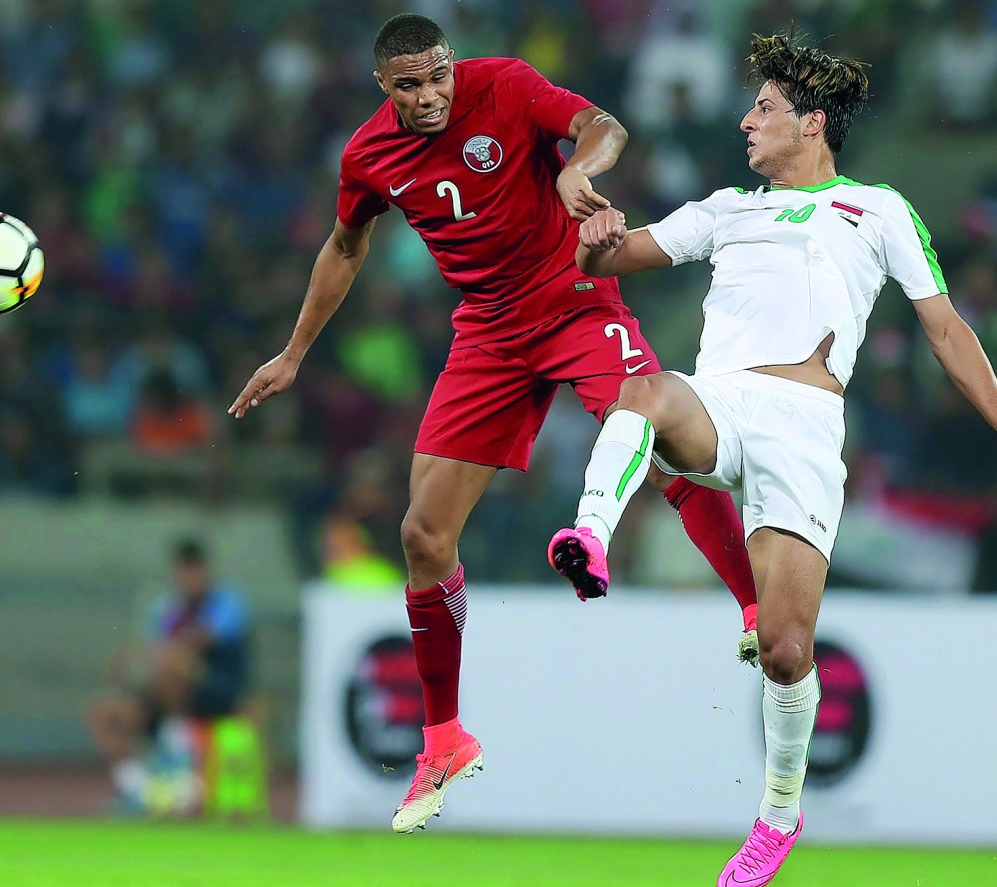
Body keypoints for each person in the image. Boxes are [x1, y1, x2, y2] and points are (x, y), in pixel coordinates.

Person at [546, 33, 997, 887]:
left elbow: (943, 324)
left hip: (808, 427)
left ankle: (780, 813)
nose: (746, 122)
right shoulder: (723, 210)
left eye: (766, 110)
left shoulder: (881, 209)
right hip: (722, 404)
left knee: (785, 652)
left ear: (811, 124)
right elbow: (617, 255)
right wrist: (595, 234)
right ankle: (589, 536)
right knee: (647, 389)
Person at [228, 12, 759, 833]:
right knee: (422, 536)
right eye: (411, 84)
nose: (433, 93)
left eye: (438, 74)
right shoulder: (369, 155)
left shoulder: (504, 86)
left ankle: (760, 611)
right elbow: (344, 247)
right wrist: (295, 352)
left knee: (650, 437)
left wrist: (579, 168)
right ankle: (443, 739)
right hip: (488, 329)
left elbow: (603, 125)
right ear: (384, 88)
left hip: (573, 294)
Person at [87, 538, 250, 808]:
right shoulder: (167, 608)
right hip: (164, 690)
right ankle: (136, 785)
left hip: (217, 691)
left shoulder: (228, 603)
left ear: (205, 572)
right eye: (183, 572)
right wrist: (132, 664)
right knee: (103, 712)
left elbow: (197, 641)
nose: (188, 579)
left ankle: (176, 747)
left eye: (194, 572)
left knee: (176, 662)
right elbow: (151, 653)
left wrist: (143, 655)